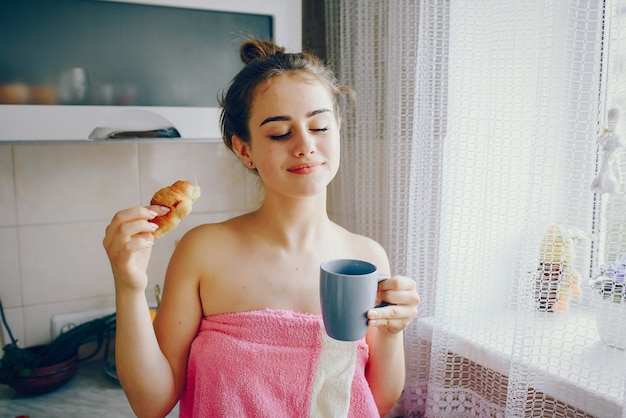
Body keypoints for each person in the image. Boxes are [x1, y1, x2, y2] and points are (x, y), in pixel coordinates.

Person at [103, 39, 420, 418]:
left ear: (337, 128)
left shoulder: (366, 258)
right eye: (279, 133)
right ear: (244, 149)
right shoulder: (202, 251)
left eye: (319, 126)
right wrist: (129, 285)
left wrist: (391, 331)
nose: (305, 145)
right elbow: (150, 403)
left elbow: (375, 402)